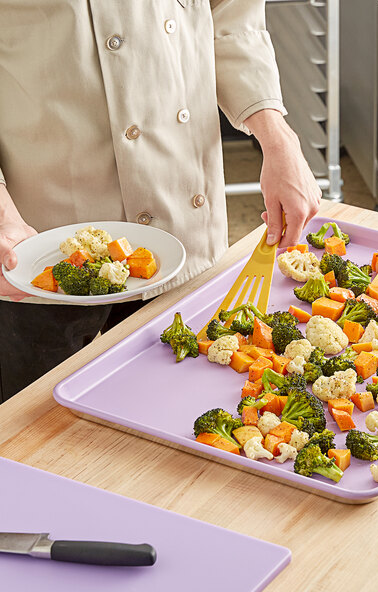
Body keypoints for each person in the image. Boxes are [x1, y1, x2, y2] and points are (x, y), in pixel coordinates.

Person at [0, 0, 321, 402]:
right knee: (37, 422)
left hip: (180, 214)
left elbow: (231, 12)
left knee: (188, 404)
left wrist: (277, 135)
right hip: (38, 234)